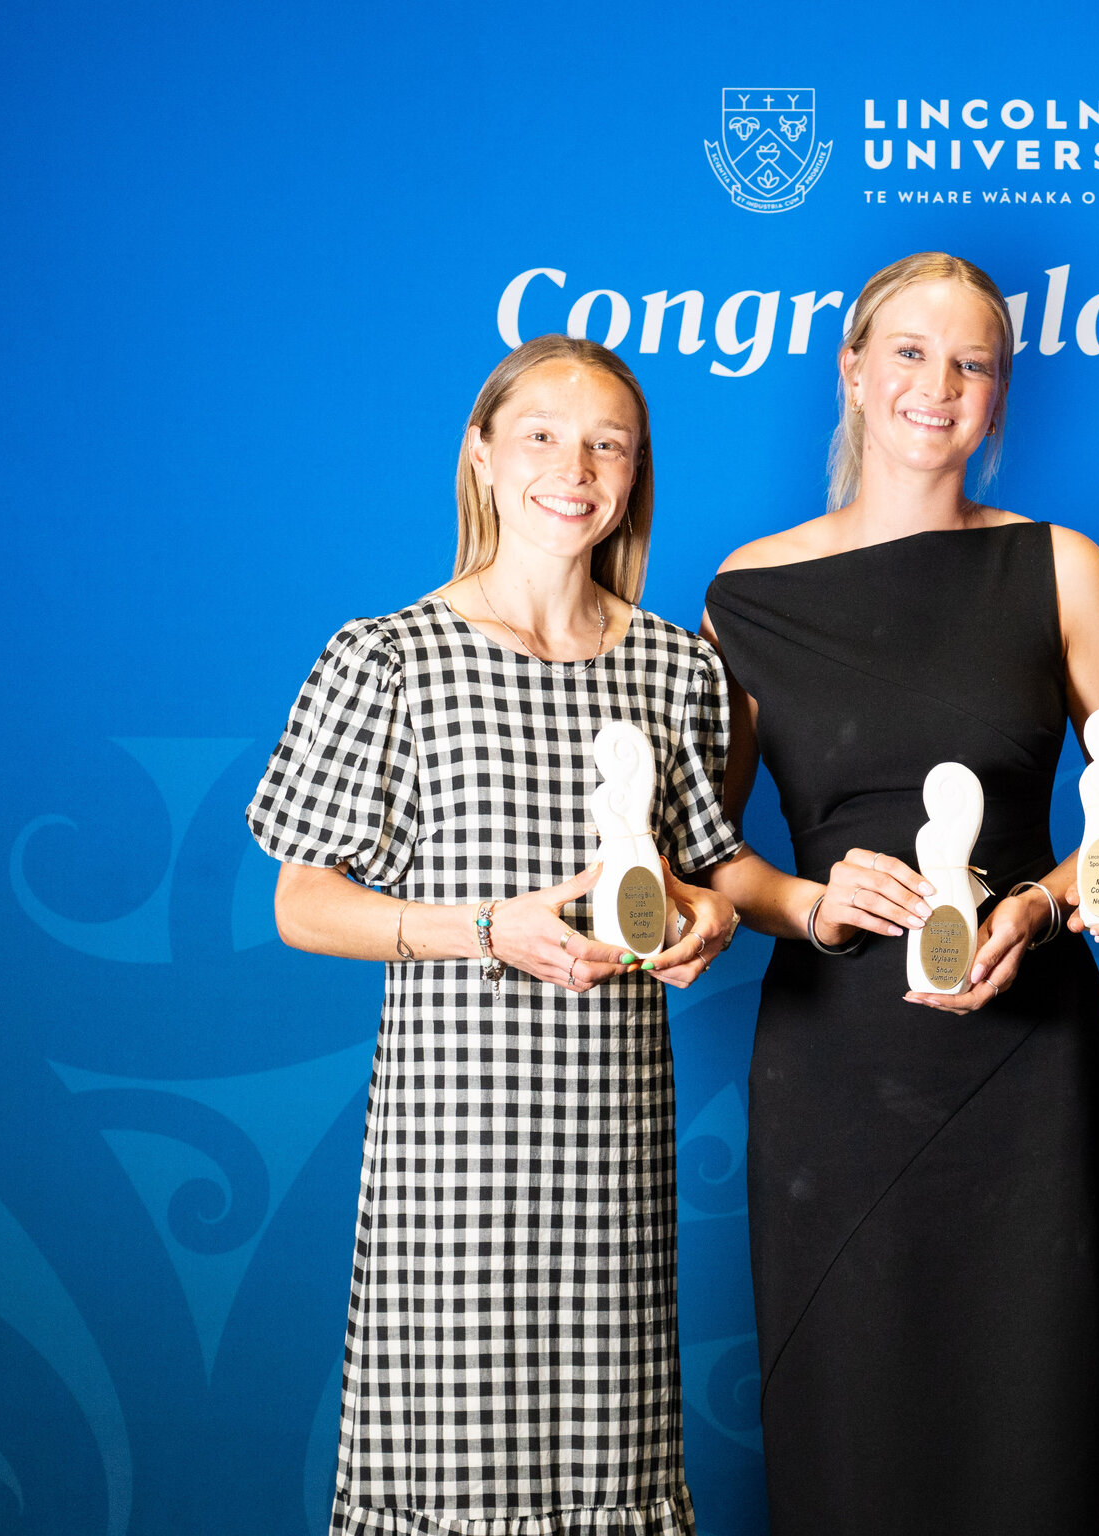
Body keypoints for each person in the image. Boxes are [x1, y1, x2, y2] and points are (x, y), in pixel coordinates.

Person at [247, 334, 742, 1536]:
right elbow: (300, 903)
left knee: (614, 1461)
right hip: (454, 1143)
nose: (573, 469)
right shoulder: (388, 657)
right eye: (540, 436)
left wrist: (710, 917)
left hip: (613, 1138)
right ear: (480, 455)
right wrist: (484, 929)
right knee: (451, 1468)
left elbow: (699, 879)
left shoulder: (676, 668)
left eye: (607, 445)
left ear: (634, 473)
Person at [699, 252, 1099, 1534]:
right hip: (835, 1064)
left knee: (1042, 1409)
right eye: (908, 352)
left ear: (999, 395)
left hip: (1025, 1050)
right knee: (856, 1413)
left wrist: (1040, 908)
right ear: (852, 371)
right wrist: (809, 900)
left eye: (971, 363)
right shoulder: (746, 595)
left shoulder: (1062, 567)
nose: (937, 384)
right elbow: (710, 855)